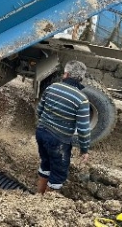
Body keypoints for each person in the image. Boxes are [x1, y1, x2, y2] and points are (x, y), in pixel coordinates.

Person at [35, 60, 91, 194]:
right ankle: (43, 205)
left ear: (66, 74)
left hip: (41, 133)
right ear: (81, 78)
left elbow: (39, 111)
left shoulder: (52, 87)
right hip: (58, 141)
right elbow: (83, 129)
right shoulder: (81, 99)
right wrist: (84, 150)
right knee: (58, 174)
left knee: (46, 164)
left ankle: (38, 196)